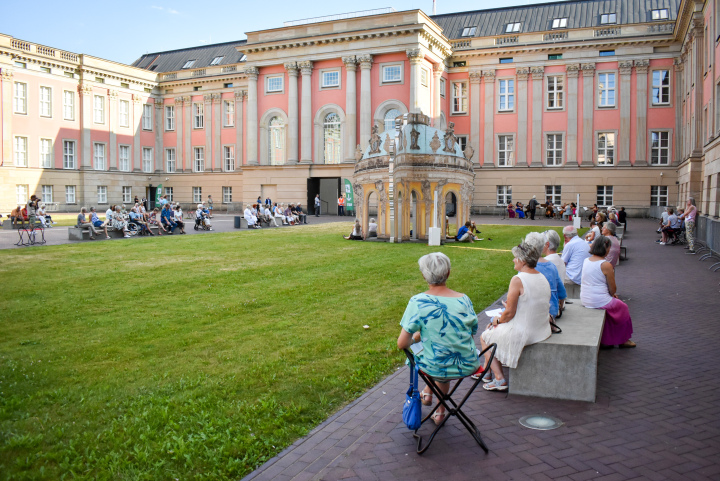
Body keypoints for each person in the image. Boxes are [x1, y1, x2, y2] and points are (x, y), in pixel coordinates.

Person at [397, 252, 481, 425]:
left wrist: (416, 338)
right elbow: (471, 332)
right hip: (468, 363)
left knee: (423, 355)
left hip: (439, 366)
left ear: (423, 275)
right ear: (448, 273)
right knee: (445, 348)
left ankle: (438, 408)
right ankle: (433, 401)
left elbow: (402, 344)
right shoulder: (464, 300)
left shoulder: (418, 302)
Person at [479, 237, 552, 391]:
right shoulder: (541, 276)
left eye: (516, 257)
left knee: (485, 336)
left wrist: (497, 320)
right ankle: (487, 373)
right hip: (542, 328)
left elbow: (509, 314)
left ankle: (499, 379)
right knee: (492, 328)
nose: (513, 260)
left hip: (527, 331)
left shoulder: (518, 279)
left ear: (523, 261)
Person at [581, 236, 636, 349]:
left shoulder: (586, 260)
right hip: (599, 301)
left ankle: (607, 340)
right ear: (605, 248)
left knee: (611, 310)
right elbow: (613, 289)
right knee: (623, 308)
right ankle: (623, 340)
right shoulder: (605, 265)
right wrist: (612, 295)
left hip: (586, 298)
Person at [530, 232, 566, 322]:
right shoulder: (554, 263)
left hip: (541, 310)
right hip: (553, 308)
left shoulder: (534, 266)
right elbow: (562, 291)